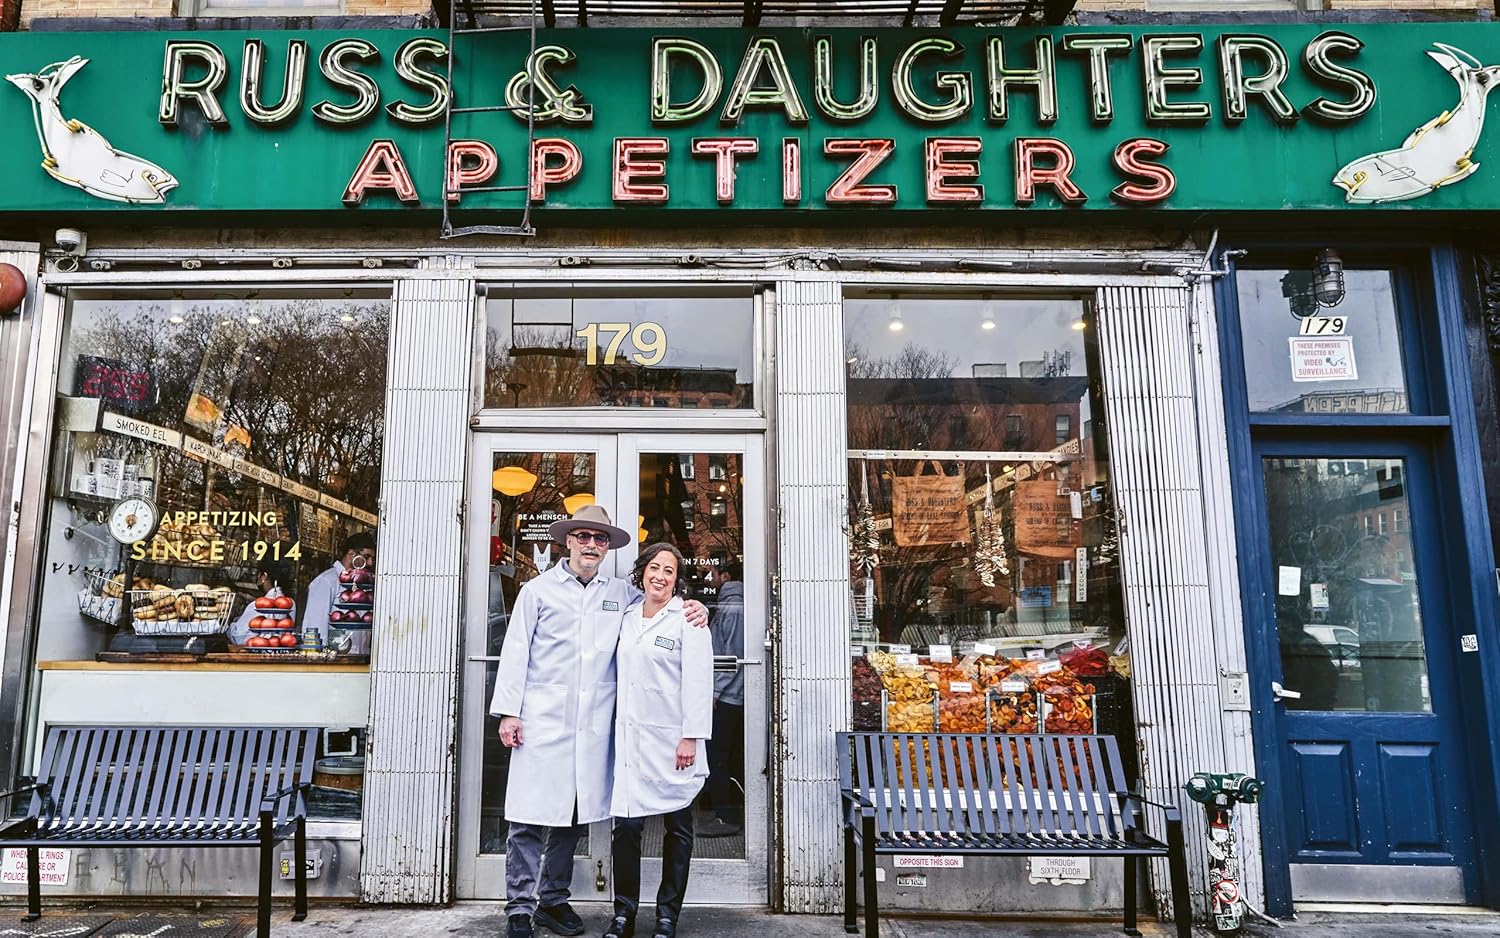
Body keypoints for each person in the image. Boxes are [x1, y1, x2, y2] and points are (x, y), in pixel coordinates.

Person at [490, 506, 708, 938]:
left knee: (571, 816)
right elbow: (516, 652)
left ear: (608, 548)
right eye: (584, 536)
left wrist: (694, 607)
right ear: (568, 540)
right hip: (542, 720)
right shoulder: (537, 591)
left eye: (600, 539)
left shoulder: (621, 595)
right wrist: (510, 712)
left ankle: (553, 901)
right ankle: (519, 906)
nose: (592, 545)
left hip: (595, 726)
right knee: (528, 817)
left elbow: (659, 606)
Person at [605, 543, 714, 938]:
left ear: (676, 579)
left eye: (669, 571)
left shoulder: (688, 619)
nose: (661, 576)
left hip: (674, 744)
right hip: (633, 741)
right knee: (627, 829)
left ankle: (667, 915)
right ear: (643, 571)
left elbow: (700, 682)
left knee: (678, 828)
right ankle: (624, 914)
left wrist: (691, 738)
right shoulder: (628, 616)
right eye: (655, 567)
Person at [700, 561, 744, 838]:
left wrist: (715, 691)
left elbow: (733, 655)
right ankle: (716, 804)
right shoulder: (730, 603)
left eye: (713, 574)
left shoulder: (733, 606)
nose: (709, 578)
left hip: (729, 694)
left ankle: (726, 816)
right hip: (728, 692)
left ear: (726, 576)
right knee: (720, 754)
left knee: (717, 755)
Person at [303, 531, 375, 653]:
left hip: (360, 661)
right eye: (366, 557)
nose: (369, 563)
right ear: (351, 554)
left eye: (372, 559)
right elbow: (314, 626)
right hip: (334, 662)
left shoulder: (362, 583)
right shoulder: (326, 581)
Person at [227, 560, 292, 646]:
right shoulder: (291, 603)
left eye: (258, 575)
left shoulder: (258, 605)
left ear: (264, 577)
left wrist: (230, 625)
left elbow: (239, 637)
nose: (256, 579)